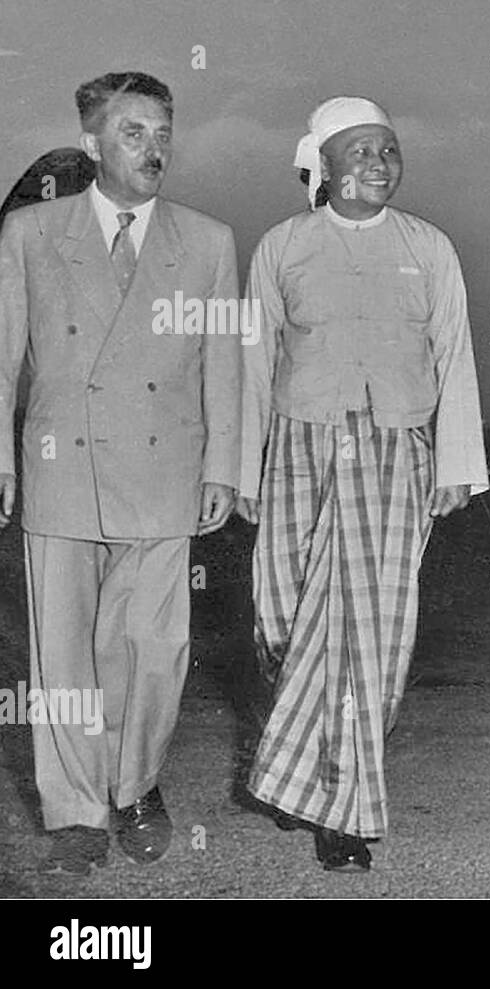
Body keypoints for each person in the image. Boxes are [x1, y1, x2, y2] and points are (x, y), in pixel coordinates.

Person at [239, 96, 488, 872]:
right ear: (326, 164)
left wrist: (456, 465)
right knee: (280, 619)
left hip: (393, 451)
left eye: (389, 149)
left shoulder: (429, 246)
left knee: (371, 635)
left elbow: (455, 356)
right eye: (362, 151)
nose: (379, 163)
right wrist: (241, 469)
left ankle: (340, 806)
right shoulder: (282, 247)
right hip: (298, 447)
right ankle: (296, 770)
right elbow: (250, 364)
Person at [0, 71, 240, 875]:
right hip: (59, 465)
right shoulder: (32, 234)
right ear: (93, 143)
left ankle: (133, 787)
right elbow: (0, 365)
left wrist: (226, 466)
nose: (155, 149)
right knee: (61, 655)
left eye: (164, 132)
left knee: (152, 646)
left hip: (165, 468)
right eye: (134, 133)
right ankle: (74, 811)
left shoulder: (206, 241)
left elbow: (224, 367)